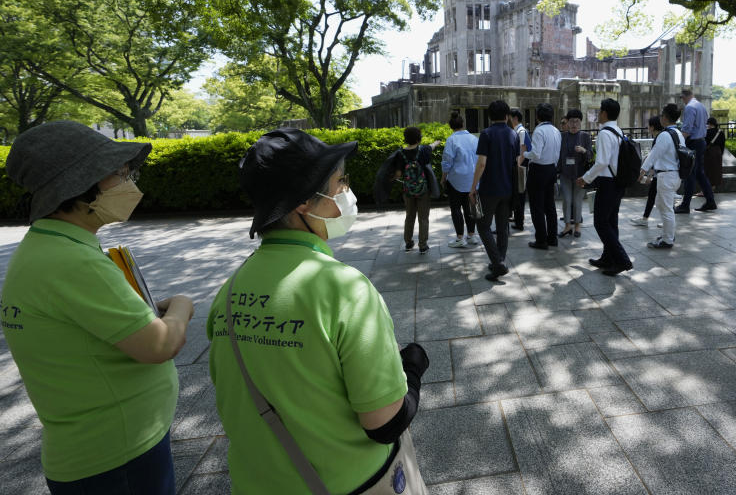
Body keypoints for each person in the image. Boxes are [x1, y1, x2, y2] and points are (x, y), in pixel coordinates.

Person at [206, 129, 429, 494]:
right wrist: (414, 369)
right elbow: (384, 424)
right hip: (349, 482)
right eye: (341, 182)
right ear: (302, 204)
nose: (346, 193)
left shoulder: (228, 292)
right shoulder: (345, 289)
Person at [1, 120, 195, 494]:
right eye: (118, 175)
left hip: (101, 447)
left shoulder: (47, 248)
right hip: (117, 455)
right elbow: (159, 346)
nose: (129, 183)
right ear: (78, 187)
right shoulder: (73, 262)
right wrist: (183, 306)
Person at [577, 98, 633, 276]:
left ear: (605, 113)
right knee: (611, 221)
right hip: (618, 182)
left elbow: (601, 162)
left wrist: (585, 178)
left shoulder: (604, 133)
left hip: (608, 183)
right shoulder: (617, 131)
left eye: (600, 111)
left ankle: (622, 260)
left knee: (600, 222)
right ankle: (608, 257)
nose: (598, 114)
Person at [471, 100, 520, 281]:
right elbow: (516, 163)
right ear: (507, 115)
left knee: (483, 225)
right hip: (508, 189)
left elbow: (481, 163)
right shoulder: (513, 134)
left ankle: (498, 263)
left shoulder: (486, 134)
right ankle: (499, 261)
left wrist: (472, 187)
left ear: (490, 116)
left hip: (489, 188)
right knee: (502, 227)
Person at [639, 105, 684, 249]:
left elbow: (654, 155)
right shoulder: (678, 133)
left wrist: (642, 172)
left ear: (664, 117)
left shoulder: (665, 135)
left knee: (666, 209)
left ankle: (667, 239)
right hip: (674, 175)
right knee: (661, 204)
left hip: (666, 176)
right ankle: (667, 233)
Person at [391, 127, 440, 253]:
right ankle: (423, 245)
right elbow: (431, 146)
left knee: (409, 216)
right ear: (419, 138)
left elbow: (397, 174)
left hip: (408, 190)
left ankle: (408, 242)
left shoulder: (401, 153)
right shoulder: (423, 150)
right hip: (423, 189)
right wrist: (436, 142)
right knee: (423, 218)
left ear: (406, 138)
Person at [520, 103, 562, 249]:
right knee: (550, 206)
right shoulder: (556, 130)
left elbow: (536, 154)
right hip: (551, 169)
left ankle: (541, 240)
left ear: (537, 116)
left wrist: (523, 154)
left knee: (537, 207)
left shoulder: (539, 131)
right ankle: (552, 238)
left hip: (538, 170)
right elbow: (557, 154)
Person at [441, 111, 480, 248]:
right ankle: (471, 235)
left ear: (451, 126)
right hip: (473, 179)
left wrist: (443, 178)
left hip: (456, 180)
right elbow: (480, 159)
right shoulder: (474, 139)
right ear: (463, 124)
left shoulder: (451, 140)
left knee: (456, 209)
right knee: (470, 207)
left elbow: (447, 162)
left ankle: (459, 237)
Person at [675, 88, 718, 213]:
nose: (682, 101)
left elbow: (687, 129)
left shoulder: (689, 107)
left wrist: (678, 142)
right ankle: (710, 201)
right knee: (699, 173)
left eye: (682, 98)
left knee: (690, 174)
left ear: (684, 97)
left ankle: (685, 205)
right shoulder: (701, 106)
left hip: (693, 143)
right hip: (701, 142)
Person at [558, 109, 593, 238]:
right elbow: (559, 156)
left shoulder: (585, 136)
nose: (574, 124)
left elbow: (591, 156)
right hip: (565, 174)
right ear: (567, 122)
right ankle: (567, 226)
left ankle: (577, 225)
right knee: (567, 200)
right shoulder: (562, 136)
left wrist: (584, 150)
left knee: (577, 201)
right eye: (571, 121)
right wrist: (557, 171)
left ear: (580, 123)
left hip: (580, 175)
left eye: (577, 121)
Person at [630, 116, 665, 227]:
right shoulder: (662, 137)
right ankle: (647, 219)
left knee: (662, 198)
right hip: (661, 173)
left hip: (662, 173)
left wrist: (647, 174)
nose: (647, 128)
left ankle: (662, 221)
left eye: (649, 125)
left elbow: (654, 158)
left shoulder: (659, 138)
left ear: (652, 127)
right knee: (657, 196)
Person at [508, 108, 532, 230]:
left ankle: (519, 222)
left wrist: (516, 167)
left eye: (510, 117)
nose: (508, 120)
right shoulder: (519, 131)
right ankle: (518, 218)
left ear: (515, 118)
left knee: (519, 194)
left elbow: (523, 152)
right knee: (518, 193)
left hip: (520, 167)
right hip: (520, 166)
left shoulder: (521, 131)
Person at [703, 117, 725, 193]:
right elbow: (722, 145)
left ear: (709, 124)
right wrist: (721, 153)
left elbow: (704, 144)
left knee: (707, 171)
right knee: (716, 171)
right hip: (718, 152)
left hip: (709, 153)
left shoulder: (707, 132)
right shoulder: (720, 132)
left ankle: (705, 190)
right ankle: (713, 188)